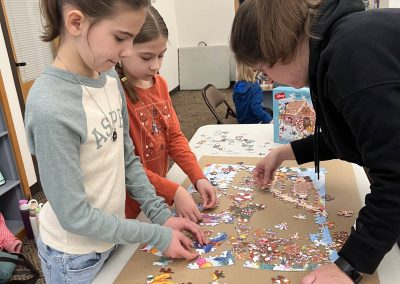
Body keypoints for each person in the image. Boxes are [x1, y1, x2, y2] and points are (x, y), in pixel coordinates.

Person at [25, 1, 206, 283]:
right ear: (76, 23)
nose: (126, 51)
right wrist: (156, 234)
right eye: (121, 38)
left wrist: (161, 216)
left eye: (131, 39)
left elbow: (127, 160)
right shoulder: (51, 106)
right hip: (74, 257)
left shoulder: (109, 78)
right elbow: (76, 216)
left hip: (114, 234)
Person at [230, 0, 400, 283]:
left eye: (263, 70)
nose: (267, 78)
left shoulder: (350, 55)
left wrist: (347, 266)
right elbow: (351, 136)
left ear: (277, 50)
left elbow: (395, 174)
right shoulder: (334, 47)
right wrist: (284, 153)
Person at [116, 7, 218, 223]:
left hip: (157, 195)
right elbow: (125, 168)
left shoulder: (160, 84)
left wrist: (197, 176)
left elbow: (174, 137)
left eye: (161, 55)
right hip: (130, 208)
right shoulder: (116, 95)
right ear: (122, 50)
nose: (156, 65)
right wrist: (174, 191)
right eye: (146, 57)